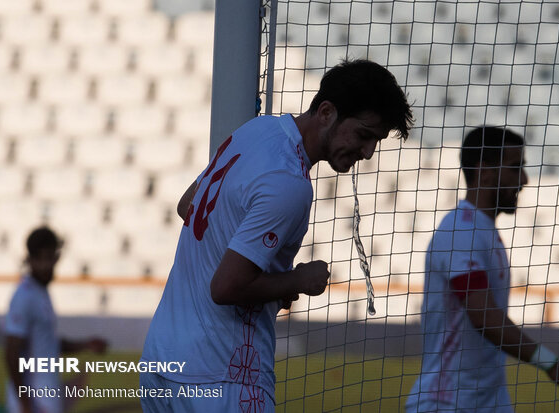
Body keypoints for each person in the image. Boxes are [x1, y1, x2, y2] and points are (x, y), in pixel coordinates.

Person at [140, 59, 414, 412]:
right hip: (221, 375)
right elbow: (225, 288)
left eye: (375, 141)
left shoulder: (255, 131)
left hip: (162, 362)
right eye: (363, 135)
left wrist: (264, 277)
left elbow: (187, 204)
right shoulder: (290, 183)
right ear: (327, 112)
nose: (367, 152)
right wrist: (295, 280)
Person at [406, 127, 559, 412]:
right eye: (515, 167)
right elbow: (483, 315)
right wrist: (551, 364)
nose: (524, 180)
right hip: (446, 403)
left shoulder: (482, 230)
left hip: (487, 402)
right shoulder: (460, 231)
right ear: (485, 171)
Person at [4, 226, 107, 413]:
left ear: (56, 257)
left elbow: (47, 344)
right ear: (30, 260)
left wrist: (85, 345)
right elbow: (12, 352)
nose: (46, 265)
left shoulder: (41, 292)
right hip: (34, 402)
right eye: (40, 259)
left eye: (49, 258)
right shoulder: (24, 297)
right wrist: (24, 403)